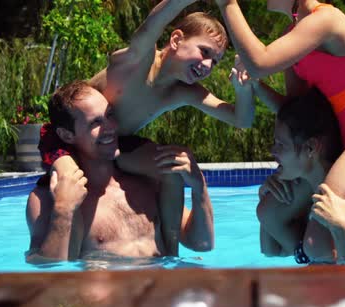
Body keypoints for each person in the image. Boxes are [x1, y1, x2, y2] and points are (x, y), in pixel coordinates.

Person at [41, 1, 254, 256]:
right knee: (70, 180)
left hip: (119, 142)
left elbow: (241, 120)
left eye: (216, 62)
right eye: (205, 52)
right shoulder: (138, 60)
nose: (208, 66)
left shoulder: (183, 91)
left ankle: (170, 254)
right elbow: (150, 28)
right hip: (70, 137)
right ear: (176, 39)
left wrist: (243, 91)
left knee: (172, 166)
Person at [214, 0, 345, 254]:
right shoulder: (292, 35)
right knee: (270, 213)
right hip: (337, 142)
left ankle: (324, 254)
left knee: (318, 240)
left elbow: (259, 62)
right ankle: (305, 255)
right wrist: (255, 86)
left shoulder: (328, 20)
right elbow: (296, 111)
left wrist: (226, 3)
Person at [26, 81, 214, 262]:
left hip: (161, 290)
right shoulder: (45, 199)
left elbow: (202, 244)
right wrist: (63, 210)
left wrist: (199, 186)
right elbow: (46, 270)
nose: (111, 127)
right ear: (67, 135)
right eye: (96, 123)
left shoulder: (148, 183)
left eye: (110, 115)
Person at [257, 89, 345, 264]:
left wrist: (342, 228)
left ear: (310, 148)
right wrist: (264, 196)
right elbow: (271, 251)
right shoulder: (307, 197)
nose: (273, 151)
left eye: (280, 144)